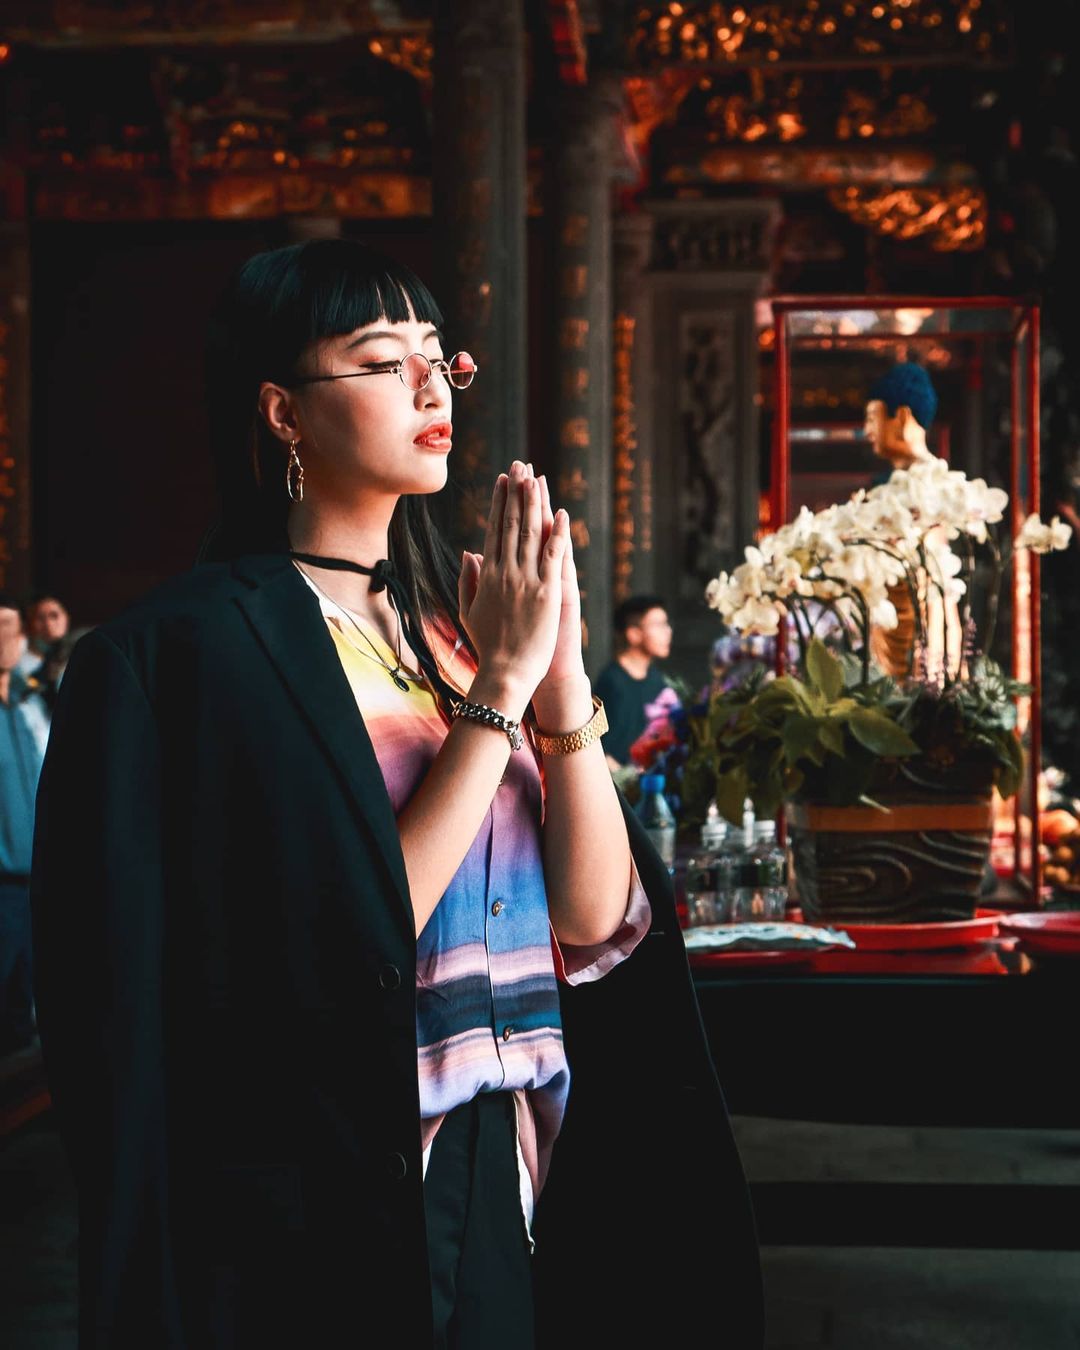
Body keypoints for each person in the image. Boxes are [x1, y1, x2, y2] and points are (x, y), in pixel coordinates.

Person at [31, 240, 762, 1349]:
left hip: (505, 1156)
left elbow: (592, 924)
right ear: (283, 412)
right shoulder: (186, 654)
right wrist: (502, 690)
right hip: (326, 1181)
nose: (430, 386)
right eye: (383, 362)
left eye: (438, 359)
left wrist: (557, 689)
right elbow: (341, 941)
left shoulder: (458, 633)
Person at [863, 361, 961, 681]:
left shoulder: (936, 484)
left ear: (902, 417)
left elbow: (929, 566)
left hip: (922, 620)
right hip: (885, 620)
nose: (867, 431)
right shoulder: (885, 484)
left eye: (872, 418)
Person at [0, 594, 49, 1054]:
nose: (4, 640)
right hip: (2, 881)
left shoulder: (28, 703)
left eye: (10, 629)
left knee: (26, 1004)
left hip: (37, 878)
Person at [594, 594, 676, 768]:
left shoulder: (658, 680)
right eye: (659, 625)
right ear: (633, 634)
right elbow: (598, 746)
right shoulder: (611, 681)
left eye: (666, 624)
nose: (668, 631)